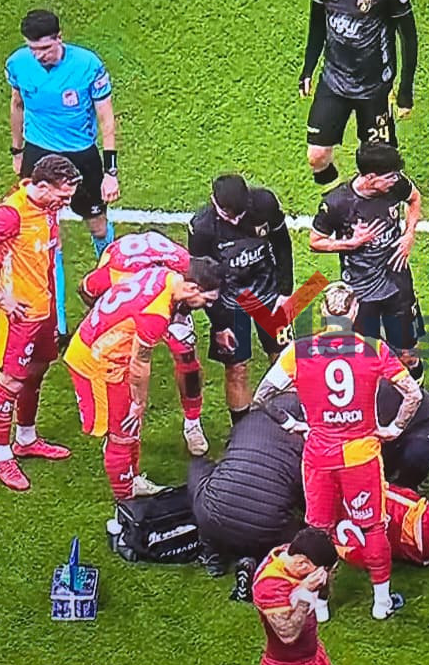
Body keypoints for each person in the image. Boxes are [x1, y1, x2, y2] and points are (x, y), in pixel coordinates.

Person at [252, 281, 423, 620]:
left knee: (319, 532)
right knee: (373, 526)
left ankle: (321, 606)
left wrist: (291, 424)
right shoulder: (374, 349)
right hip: (361, 455)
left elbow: (262, 396)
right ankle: (381, 603)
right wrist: (395, 428)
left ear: (323, 312)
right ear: (355, 311)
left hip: (319, 455)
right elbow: (413, 395)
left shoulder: (299, 351)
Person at [188, 383, 429, 573]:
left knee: (202, 474)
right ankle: (254, 559)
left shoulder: (249, 422)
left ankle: (214, 558)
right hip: (271, 526)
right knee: (303, 530)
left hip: (214, 518)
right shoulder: (313, 438)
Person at [0, 155, 82, 491]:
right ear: (41, 186)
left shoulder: (47, 207)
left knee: (38, 369)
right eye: (63, 196)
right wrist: (1, 297)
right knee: (11, 382)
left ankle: (26, 440)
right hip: (20, 316)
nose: (66, 203)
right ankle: (1, 457)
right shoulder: (11, 214)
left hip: (43, 308)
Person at [63, 259, 222, 499]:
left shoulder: (164, 275)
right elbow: (140, 363)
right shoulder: (156, 314)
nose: (207, 306)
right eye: (207, 300)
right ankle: (126, 499)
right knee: (122, 432)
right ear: (191, 288)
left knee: (130, 427)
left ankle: (132, 479)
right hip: (100, 363)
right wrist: (139, 402)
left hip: (103, 349)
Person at [7, 9, 119, 339]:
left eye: (45, 48)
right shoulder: (18, 64)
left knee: (98, 226)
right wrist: (17, 151)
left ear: (60, 37)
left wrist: (110, 171)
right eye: (32, 49)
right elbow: (17, 105)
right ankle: (56, 326)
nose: (38, 56)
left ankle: (112, 293)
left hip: (81, 155)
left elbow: (106, 118)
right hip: (38, 153)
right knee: (45, 236)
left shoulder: (88, 65)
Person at [77, 230, 211, 455]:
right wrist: (100, 314)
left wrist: (179, 315)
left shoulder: (182, 268)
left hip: (169, 301)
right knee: (122, 361)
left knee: (187, 357)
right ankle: (116, 421)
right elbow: (86, 288)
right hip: (137, 303)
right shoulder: (116, 272)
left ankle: (192, 422)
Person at [309, 142, 425, 378]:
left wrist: (409, 234)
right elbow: (315, 241)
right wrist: (351, 244)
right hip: (361, 291)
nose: (396, 180)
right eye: (390, 177)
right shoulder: (337, 203)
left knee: (408, 353)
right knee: (366, 355)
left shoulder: (395, 185)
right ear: (371, 178)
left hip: (397, 281)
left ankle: (416, 393)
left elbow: (414, 198)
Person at [301, 0, 418, 186]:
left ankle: (396, 197)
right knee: (316, 157)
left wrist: (405, 91)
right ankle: (340, 198)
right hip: (334, 81)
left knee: (380, 166)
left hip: (374, 88)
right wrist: (308, 69)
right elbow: (317, 24)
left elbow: (409, 38)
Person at [188, 174, 295, 426]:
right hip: (230, 301)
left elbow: (282, 244)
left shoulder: (265, 203)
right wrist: (220, 324)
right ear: (214, 202)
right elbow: (203, 277)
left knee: (284, 359)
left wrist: (285, 291)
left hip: (267, 293)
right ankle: (242, 431)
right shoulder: (202, 228)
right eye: (229, 215)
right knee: (237, 369)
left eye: (240, 214)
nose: (236, 220)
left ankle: (288, 421)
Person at [252, 527, 340, 665]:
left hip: (313, 658)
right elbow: (287, 635)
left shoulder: (292, 553)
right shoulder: (270, 586)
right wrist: (305, 593)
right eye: (323, 571)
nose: (325, 576)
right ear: (302, 564)